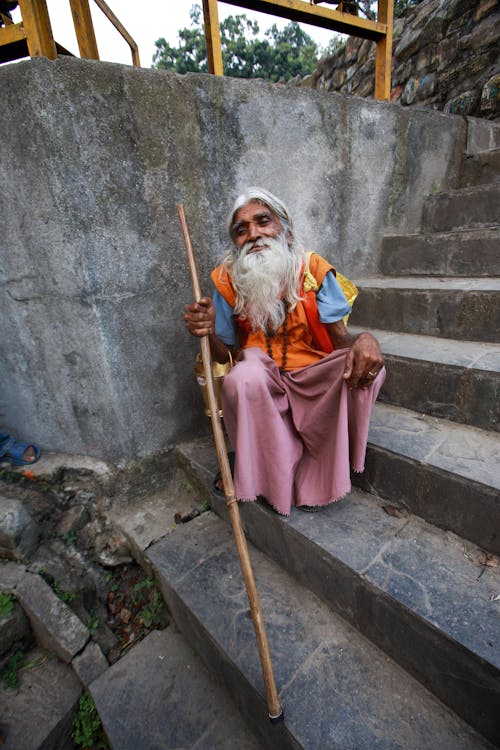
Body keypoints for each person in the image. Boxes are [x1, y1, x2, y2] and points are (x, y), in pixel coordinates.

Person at [184, 187, 385, 515]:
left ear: (285, 230)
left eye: (263, 221)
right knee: (241, 378)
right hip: (261, 374)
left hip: (311, 375)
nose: (254, 234)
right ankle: (270, 475)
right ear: (235, 242)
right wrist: (206, 332)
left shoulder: (313, 269)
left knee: (370, 366)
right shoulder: (227, 280)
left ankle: (319, 467)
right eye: (242, 229)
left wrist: (366, 340)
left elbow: (340, 341)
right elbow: (225, 357)